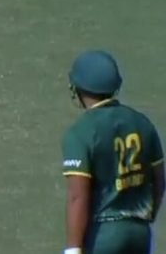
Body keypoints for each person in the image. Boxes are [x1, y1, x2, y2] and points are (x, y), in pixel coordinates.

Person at [61, 50, 164, 254]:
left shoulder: (80, 132)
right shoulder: (142, 123)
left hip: (102, 236)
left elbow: (77, 196)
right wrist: (145, 219)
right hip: (139, 233)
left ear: (78, 89)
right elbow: (159, 181)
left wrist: (73, 249)